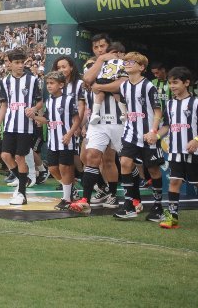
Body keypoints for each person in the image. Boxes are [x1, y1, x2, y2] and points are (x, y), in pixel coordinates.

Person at [95, 52, 163, 221]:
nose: (127, 63)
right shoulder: (124, 86)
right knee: (125, 163)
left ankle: (158, 206)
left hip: (147, 134)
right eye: (125, 61)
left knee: (153, 169)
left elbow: (157, 111)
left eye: (132, 61)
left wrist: (154, 131)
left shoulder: (148, 86)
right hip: (130, 133)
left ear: (142, 67)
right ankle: (129, 204)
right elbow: (124, 105)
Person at [75, 33, 122, 210]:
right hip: (97, 120)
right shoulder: (92, 64)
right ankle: (87, 198)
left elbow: (120, 85)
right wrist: (101, 60)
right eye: (96, 47)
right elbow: (87, 80)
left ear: (110, 46)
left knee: (114, 161)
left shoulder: (120, 63)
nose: (99, 50)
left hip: (118, 119)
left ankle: (114, 194)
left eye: (102, 46)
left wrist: (100, 86)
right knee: (90, 157)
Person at [0, 47, 42, 206]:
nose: (20, 65)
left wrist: (34, 109)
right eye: (17, 62)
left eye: (22, 62)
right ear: (10, 64)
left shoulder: (33, 80)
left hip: (25, 126)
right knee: (5, 156)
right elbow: (4, 105)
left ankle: (22, 193)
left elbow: (40, 100)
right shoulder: (4, 81)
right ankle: (24, 179)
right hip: (9, 125)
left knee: (20, 157)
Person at [156, 67, 198, 229]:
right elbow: (167, 126)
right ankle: (172, 217)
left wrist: (195, 140)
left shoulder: (195, 103)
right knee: (174, 182)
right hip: (175, 151)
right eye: (170, 83)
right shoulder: (170, 104)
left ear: (187, 83)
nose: (172, 86)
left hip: (194, 151)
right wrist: (157, 136)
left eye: (175, 82)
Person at [34, 71, 81, 210]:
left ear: (61, 84)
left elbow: (77, 119)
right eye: (47, 83)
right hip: (53, 141)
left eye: (52, 83)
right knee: (53, 168)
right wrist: (34, 116)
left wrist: (69, 134)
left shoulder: (69, 99)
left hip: (66, 140)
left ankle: (66, 198)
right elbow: (47, 120)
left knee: (65, 168)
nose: (49, 86)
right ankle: (70, 189)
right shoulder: (48, 101)